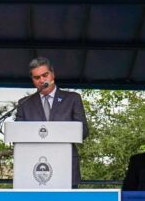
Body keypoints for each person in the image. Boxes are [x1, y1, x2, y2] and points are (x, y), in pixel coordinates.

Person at [15, 57, 89, 188]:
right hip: (33, 169)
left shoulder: (72, 99)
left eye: (45, 75)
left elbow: (83, 131)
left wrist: (56, 133)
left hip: (66, 167)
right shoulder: (24, 103)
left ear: (53, 74)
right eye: (37, 78)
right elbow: (17, 136)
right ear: (32, 80)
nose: (42, 80)